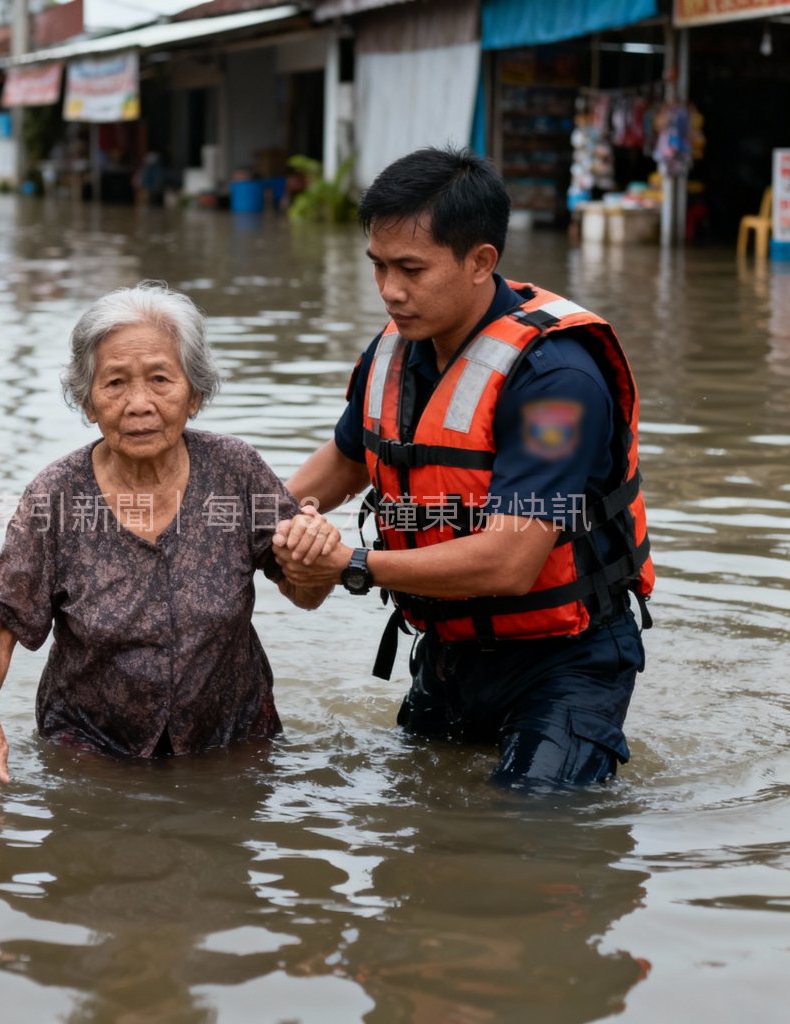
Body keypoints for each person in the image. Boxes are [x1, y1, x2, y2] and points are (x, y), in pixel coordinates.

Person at [274, 146, 654, 790]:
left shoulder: (557, 382)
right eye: (379, 267)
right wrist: (245, 521)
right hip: (449, 657)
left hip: (563, 663)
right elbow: (343, 464)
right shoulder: (394, 351)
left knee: (523, 830)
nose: (391, 290)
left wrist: (351, 565)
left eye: (411, 269)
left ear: (481, 261)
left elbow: (511, 562)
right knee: (417, 823)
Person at [0, 282, 336, 798]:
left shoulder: (236, 471)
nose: (139, 404)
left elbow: (305, 593)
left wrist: (313, 555)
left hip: (232, 747)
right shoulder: (56, 497)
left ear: (194, 395)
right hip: (91, 755)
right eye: (115, 384)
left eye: (160, 380)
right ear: (87, 402)